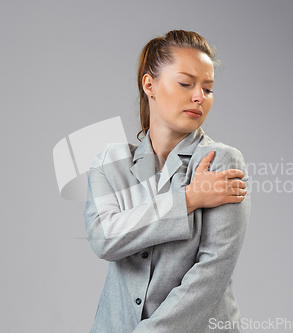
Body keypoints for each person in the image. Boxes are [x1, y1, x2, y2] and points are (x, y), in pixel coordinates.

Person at [83, 30, 251, 333]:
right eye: (186, 84)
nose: (199, 96)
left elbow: (211, 273)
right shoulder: (111, 163)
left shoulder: (220, 161)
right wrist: (187, 199)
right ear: (150, 85)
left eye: (208, 89)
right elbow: (104, 238)